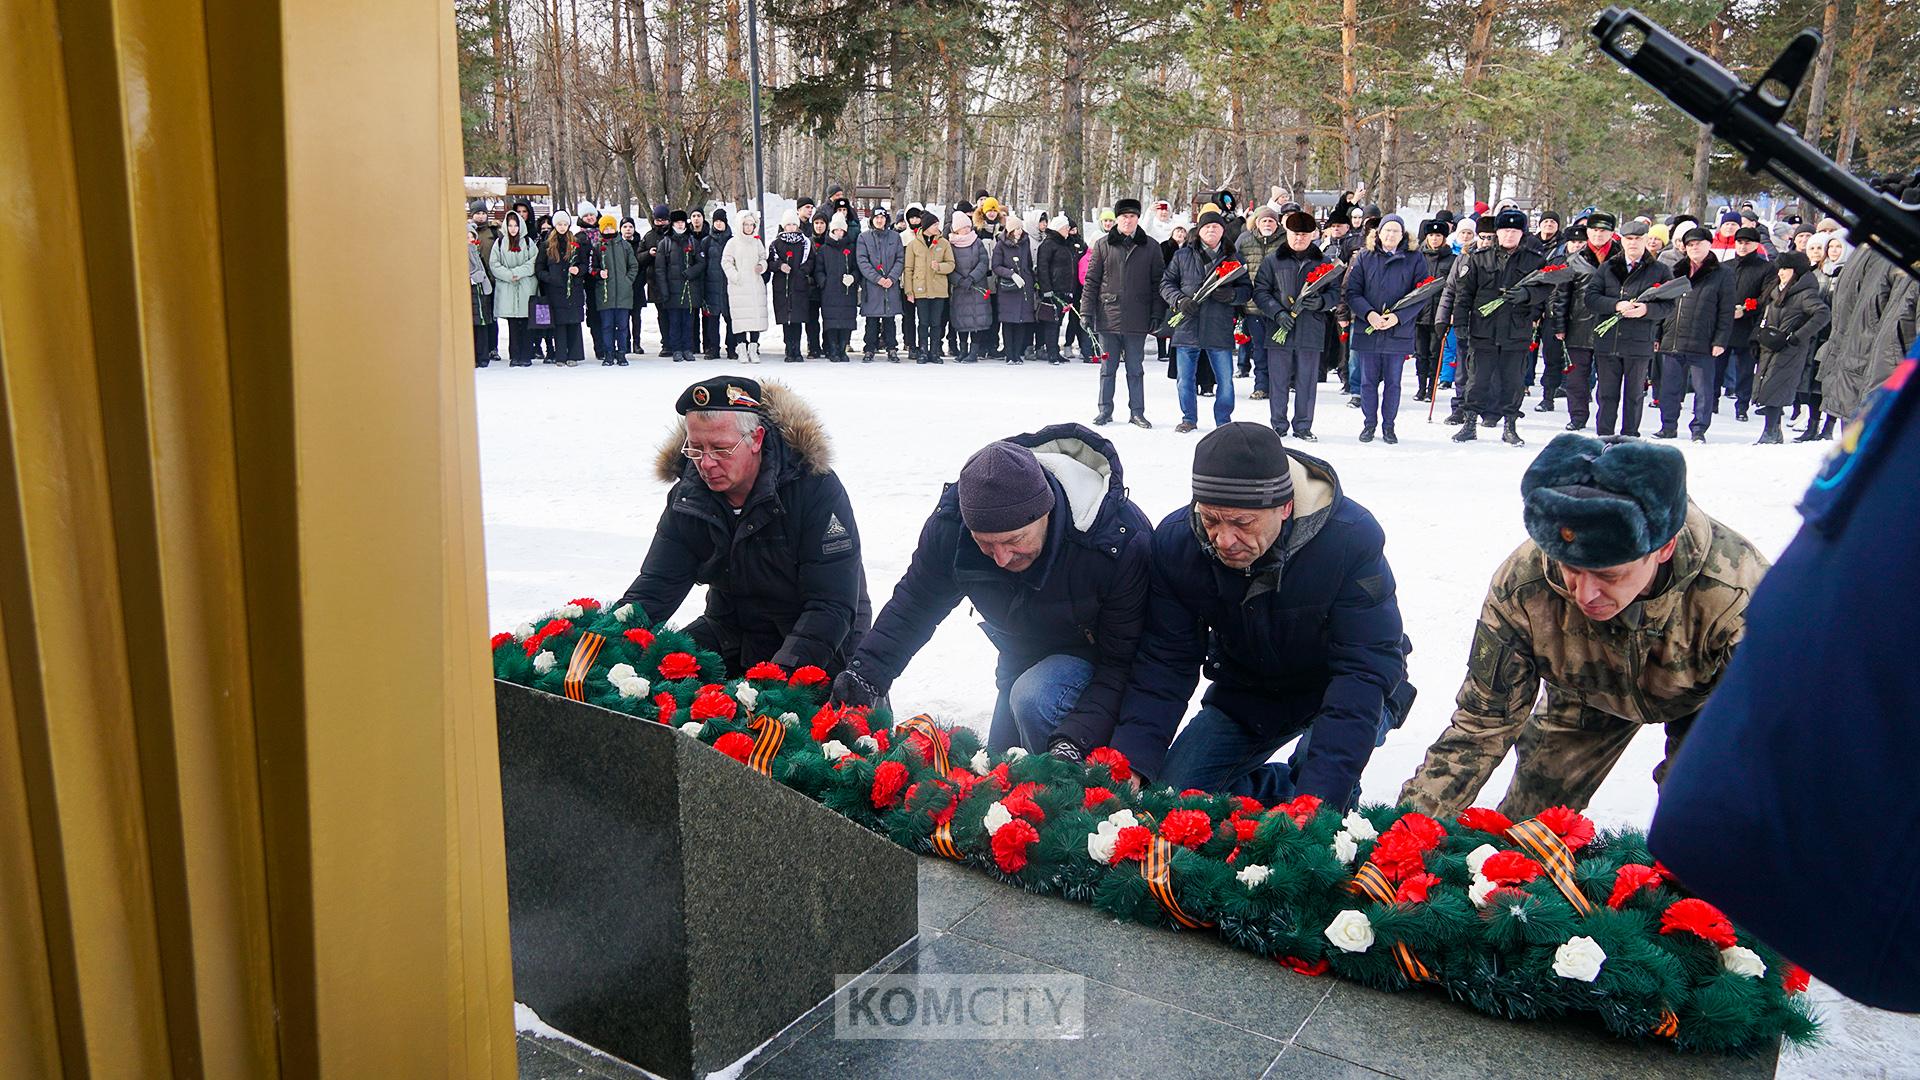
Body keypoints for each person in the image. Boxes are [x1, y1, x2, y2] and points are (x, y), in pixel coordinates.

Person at [1399, 434, 1766, 819]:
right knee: (1530, 823)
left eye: (1608, 574)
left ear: (1663, 548)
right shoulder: (1523, 585)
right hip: (1586, 690)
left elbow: (1765, 742)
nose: (1586, 594)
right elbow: (1481, 723)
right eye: (1571, 569)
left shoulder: (1740, 594)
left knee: (1698, 825)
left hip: (1710, 707)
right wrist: (1407, 832)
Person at [1110, 423, 1411, 807]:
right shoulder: (1178, 544)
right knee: (1175, 796)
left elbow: (1365, 668)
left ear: (1285, 507)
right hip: (1250, 691)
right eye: (1211, 519)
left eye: (1242, 522)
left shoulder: (1350, 537)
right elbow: (1166, 659)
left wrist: (1319, 795)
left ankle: (1316, 798)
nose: (1223, 539)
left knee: (1319, 785)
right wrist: (1133, 758)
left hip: (1346, 686)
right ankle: (1280, 793)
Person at [829, 428, 1151, 756]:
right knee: (999, 767)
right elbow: (916, 603)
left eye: (1014, 541)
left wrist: (1075, 740)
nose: (1001, 558)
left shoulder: (1114, 541)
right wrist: (866, 674)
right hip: (1021, 656)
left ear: (1046, 512)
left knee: (1036, 704)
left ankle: (1078, 793)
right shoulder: (953, 527)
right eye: (985, 543)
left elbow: (1123, 662)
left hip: (1099, 668)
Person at [617, 376, 871, 675]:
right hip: (730, 632)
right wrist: (605, 643)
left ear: (756, 439)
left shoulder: (814, 488)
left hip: (825, 642)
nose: (706, 464)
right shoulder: (690, 496)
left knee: (790, 715)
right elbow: (656, 588)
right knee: (654, 675)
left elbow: (830, 605)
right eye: (696, 449)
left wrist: (776, 679)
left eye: (721, 449)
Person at [1451, 208, 1551, 446]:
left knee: (1513, 380)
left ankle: (1510, 426)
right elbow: (1464, 294)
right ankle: (1470, 423)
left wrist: (1527, 294)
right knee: (1477, 379)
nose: (1509, 234)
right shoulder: (1479, 258)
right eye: (1505, 229)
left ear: (1522, 233)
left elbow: (1545, 289)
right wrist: (1461, 322)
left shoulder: (1534, 260)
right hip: (1483, 329)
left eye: (1515, 230)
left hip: (1516, 331)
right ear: (1497, 232)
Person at [1251, 210, 1339, 441]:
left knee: (1307, 381)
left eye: (1304, 234)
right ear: (1287, 233)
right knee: (1278, 381)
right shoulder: (1272, 260)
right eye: (1294, 233)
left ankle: (1303, 425)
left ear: (1312, 235)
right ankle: (1278, 424)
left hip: (1311, 329)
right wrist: (1277, 312)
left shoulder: (1324, 262)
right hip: (1279, 330)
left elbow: (1335, 293)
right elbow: (1260, 291)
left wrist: (1321, 302)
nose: (1299, 238)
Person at [1584, 221, 1674, 438]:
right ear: (1621, 240)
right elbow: (1591, 298)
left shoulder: (1660, 270)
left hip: (1639, 341)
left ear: (1646, 240)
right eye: (1628, 239)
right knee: (1606, 394)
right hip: (1609, 342)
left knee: (1634, 395)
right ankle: (1604, 436)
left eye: (1638, 238)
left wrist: (1646, 309)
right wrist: (1615, 305)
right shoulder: (1608, 267)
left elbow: (1668, 305)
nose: (1633, 243)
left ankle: (1630, 436)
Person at [1344, 215, 1428, 444]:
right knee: (1368, 381)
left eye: (1395, 231)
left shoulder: (1415, 259)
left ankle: (1389, 426)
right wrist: (1368, 314)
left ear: (1403, 235)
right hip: (1368, 328)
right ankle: (1369, 424)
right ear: (1378, 233)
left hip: (1397, 331)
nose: (1390, 235)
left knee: (1393, 382)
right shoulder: (1364, 257)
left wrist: (1398, 318)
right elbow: (1352, 292)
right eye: (1387, 231)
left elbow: (1422, 294)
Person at [1082, 197, 1165, 428]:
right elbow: (1091, 281)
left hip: (1138, 317)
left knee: (1135, 369)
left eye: (1132, 216)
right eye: (1124, 216)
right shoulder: (1102, 245)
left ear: (1138, 219)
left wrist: (1157, 314)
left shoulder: (1151, 246)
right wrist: (1086, 312)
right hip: (1108, 316)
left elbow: (1158, 283)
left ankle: (1137, 412)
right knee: (1107, 368)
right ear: (1116, 219)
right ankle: (1104, 410)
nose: (1127, 221)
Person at [1161, 211, 1246, 433]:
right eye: (1207, 227)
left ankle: (1223, 420)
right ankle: (1188, 418)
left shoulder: (1233, 259)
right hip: (1188, 326)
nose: (1211, 230)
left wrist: (1231, 296)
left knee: (1225, 380)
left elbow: (1246, 289)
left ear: (1222, 231)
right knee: (1184, 379)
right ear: (1199, 231)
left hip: (1219, 326)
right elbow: (1166, 284)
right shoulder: (1183, 255)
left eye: (1216, 227)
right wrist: (1180, 300)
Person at [1653, 227, 1733, 442]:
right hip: (1673, 337)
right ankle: (1668, 426)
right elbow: (1663, 303)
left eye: (1699, 243)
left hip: (1703, 341)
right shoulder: (1675, 270)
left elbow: (1726, 311)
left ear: (1709, 244)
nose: (1694, 247)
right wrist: (1658, 335)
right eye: (1690, 244)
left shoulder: (1723, 274)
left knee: (1703, 390)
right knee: (1669, 388)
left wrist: (1720, 340)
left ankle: (1699, 429)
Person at [1749, 251, 1832, 444]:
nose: (1781, 272)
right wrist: (1755, 338)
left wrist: (1797, 337)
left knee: (1775, 386)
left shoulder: (1805, 293)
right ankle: (1773, 430)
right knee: (1766, 384)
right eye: (1780, 268)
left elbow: (1822, 314)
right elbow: (1765, 315)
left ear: (1796, 270)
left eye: (1785, 268)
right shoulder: (1777, 289)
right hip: (1770, 345)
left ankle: (1770, 432)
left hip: (1789, 349)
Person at [1551, 211, 1617, 431]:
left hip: (1611, 327)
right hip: (1578, 325)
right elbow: (1562, 296)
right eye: (1595, 230)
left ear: (1611, 233)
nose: (1599, 234)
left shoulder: (1621, 258)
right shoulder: (1574, 259)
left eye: (1603, 230)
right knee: (1576, 378)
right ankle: (1577, 416)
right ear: (1588, 231)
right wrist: (1559, 325)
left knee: (1608, 380)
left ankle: (1605, 420)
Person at [1723, 226, 1776, 421]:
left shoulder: (1766, 267)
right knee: (1716, 368)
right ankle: (1710, 403)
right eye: (1740, 242)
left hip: (1748, 326)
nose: (1743, 246)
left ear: (1756, 245)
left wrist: (1745, 310)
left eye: (1747, 243)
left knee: (1745, 370)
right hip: (1724, 324)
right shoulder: (1726, 266)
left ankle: (1742, 406)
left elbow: (1765, 296)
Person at [1235, 206, 1284, 389]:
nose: (1267, 224)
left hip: (1279, 306)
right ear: (1256, 222)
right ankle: (1261, 385)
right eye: (1264, 220)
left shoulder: (1285, 241)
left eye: (1271, 220)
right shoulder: (1245, 240)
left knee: (1278, 349)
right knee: (1259, 348)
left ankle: (1279, 386)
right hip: (1253, 305)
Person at [533, 208, 587, 366]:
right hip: (555, 291)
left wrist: (578, 270)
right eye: (559, 224)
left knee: (574, 322)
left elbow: (584, 264)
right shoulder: (547, 245)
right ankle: (560, 355)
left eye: (565, 224)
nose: (562, 227)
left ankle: (574, 355)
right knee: (559, 324)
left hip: (573, 289)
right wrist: (550, 278)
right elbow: (539, 268)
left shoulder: (576, 243)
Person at [1412, 219, 1456, 403]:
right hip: (1420, 312)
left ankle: (1432, 387)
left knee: (1435, 352)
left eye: (1438, 235)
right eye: (1431, 235)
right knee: (1420, 352)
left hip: (1439, 313)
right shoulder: (1417, 258)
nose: (1434, 239)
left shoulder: (1452, 259)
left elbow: (1454, 288)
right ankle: (1421, 387)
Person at [653, 211, 706, 363]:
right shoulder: (665, 242)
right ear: (672, 224)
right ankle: (676, 349)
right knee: (674, 322)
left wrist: (691, 272)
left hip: (689, 289)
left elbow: (701, 262)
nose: (680, 224)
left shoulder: (692, 241)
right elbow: (660, 269)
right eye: (677, 222)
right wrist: (664, 290)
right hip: (672, 290)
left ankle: (688, 348)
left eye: (682, 222)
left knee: (689, 322)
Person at [808, 213, 861, 363]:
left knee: (846, 321)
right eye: (835, 230)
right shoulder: (824, 249)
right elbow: (818, 270)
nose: (838, 233)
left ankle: (842, 348)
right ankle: (832, 349)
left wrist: (853, 278)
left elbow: (856, 268)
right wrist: (824, 282)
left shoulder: (851, 249)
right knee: (831, 321)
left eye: (841, 230)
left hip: (847, 292)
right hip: (829, 292)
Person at [488, 211, 538, 367]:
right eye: (510, 225)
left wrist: (518, 273)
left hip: (525, 287)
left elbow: (534, 262)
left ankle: (526, 355)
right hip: (508, 287)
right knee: (513, 325)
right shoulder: (500, 243)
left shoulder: (529, 243)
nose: (513, 228)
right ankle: (514, 356)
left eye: (516, 225)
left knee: (526, 322)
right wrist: (509, 275)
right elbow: (494, 264)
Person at [720, 210, 770, 364]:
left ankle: (753, 349)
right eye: (745, 225)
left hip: (755, 284)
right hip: (739, 287)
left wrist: (762, 266)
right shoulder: (733, 242)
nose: (749, 228)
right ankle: (741, 348)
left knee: (755, 318)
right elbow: (726, 261)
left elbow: (763, 257)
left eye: (751, 225)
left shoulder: (756, 242)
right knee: (741, 319)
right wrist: (735, 276)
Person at [856, 206, 905, 362]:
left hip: (890, 284)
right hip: (872, 286)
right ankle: (869, 348)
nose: (879, 220)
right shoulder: (864, 238)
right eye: (876, 218)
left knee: (890, 318)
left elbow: (900, 259)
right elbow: (862, 261)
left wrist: (891, 277)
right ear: (872, 220)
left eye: (882, 217)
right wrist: (877, 279)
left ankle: (891, 348)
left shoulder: (895, 237)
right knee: (872, 319)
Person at [904, 214, 954, 364]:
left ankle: (935, 352)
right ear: (926, 226)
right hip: (921, 289)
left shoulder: (944, 243)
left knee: (936, 322)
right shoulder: (913, 245)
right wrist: (909, 290)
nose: (937, 228)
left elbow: (951, 264)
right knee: (923, 322)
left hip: (938, 289)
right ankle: (923, 351)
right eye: (934, 225)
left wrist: (939, 267)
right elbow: (908, 269)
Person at [990, 214, 1038, 364]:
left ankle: (1017, 353)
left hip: (1025, 286)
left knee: (1022, 321)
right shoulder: (1001, 245)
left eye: (1020, 228)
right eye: (1016, 229)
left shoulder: (1025, 242)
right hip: (1009, 289)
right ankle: (1009, 353)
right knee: (1008, 321)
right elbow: (996, 266)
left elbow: (1028, 264)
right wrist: (1011, 275)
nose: (1019, 231)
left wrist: (1031, 279)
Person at [947, 213, 993, 364]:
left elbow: (983, 261)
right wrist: (959, 280)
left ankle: (974, 351)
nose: (966, 230)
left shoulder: (977, 242)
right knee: (962, 320)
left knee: (976, 319)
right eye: (963, 227)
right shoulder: (951, 244)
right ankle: (962, 350)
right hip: (960, 288)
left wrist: (972, 277)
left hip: (976, 286)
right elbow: (949, 264)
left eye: (968, 226)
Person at [593, 214, 639, 366]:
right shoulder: (598, 246)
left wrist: (627, 281)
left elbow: (633, 265)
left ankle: (622, 353)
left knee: (622, 326)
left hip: (623, 294)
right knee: (607, 326)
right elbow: (592, 268)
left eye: (611, 226)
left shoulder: (624, 246)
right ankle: (608, 353)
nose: (608, 229)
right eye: (605, 227)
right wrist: (599, 273)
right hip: (605, 294)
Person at [769, 210, 814, 363]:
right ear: (783, 226)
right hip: (783, 286)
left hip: (799, 285)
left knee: (797, 319)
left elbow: (810, 261)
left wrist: (803, 271)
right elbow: (770, 262)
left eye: (794, 224)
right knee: (786, 320)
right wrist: (780, 265)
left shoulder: (805, 242)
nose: (791, 227)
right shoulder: (776, 243)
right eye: (788, 224)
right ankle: (789, 348)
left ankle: (797, 348)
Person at [1036, 214, 1080, 365]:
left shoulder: (1066, 244)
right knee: (1052, 322)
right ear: (1059, 228)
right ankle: (1051, 353)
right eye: (1066, 227)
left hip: (1065, 290)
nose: (1068, 230)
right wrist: (1047, 289)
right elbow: (1042, 268)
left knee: (1059, 321)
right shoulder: (1048, 245)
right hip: (1053, 290)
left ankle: (1055, 350)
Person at [468, 200, 501, 365]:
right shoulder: (468, 232)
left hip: (492, 279)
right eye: (477, 213)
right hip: (474, 282)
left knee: (491, 316)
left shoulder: (493, 232)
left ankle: (492, 347)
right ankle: (477, 349)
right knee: (478, 317)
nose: (480, 216)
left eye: (483, 213)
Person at [700, 209, 732, 359]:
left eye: (721, 221)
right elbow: (702, 264)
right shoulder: (706, 241)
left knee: (730, 319)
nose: (719, 224)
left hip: (728, 286)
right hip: (711, 286)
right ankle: (713, 348)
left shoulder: (732, 240)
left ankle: (732, 347)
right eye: (716, 221)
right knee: (712, 320)